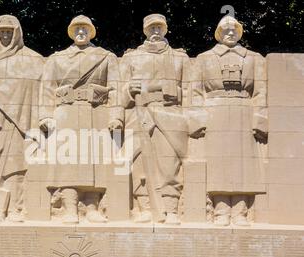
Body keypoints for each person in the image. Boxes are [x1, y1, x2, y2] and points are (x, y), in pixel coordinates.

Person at [39, 15, 123, 224]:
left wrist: (116, 117)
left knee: (94, 161)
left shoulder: (105, 56)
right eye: (77, 29)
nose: (81, 32)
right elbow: (46, 88)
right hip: (65, 112)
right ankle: (70, 208)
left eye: (85, 29)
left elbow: (116, 88)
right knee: (67, 160)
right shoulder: (57, 58)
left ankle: (92, 207)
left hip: (96, 111)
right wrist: (46, 116)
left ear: (91, 32)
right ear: (71, 32)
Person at [120, 14, 202, 224]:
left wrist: (194, 119)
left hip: (171, 113)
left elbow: (191, 90)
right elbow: (118, 91)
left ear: (165, 29)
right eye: (151, 28)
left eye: (159, 27)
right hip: (140, 113)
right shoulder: (131, 57)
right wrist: (129, 89)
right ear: (145, 31)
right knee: (139, 162)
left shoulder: (179, 57)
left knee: (169, 164)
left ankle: (171, 208)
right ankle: (144, 207)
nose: (155, 31)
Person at [191, 15, 268, 226]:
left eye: (234, 29)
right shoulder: (204, 58)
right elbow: (195, 92)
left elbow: (261, 91)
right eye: (225, 29)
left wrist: (259, 118)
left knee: (244, 164)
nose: (230, 33)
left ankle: (241, 211)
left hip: (244, 110)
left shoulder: (254, 58)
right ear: (218, 33)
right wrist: (198, 118)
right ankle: (221, 210)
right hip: (214, 113)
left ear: (240, 32)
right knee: (218, 163)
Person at [0, 15, 44, 222]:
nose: (5, 34)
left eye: (9, 31)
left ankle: (16, 208)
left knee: (16, 166)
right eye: (1, 30)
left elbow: (42, 91)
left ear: (17, 33)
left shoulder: (34, 59)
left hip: (20, 123)